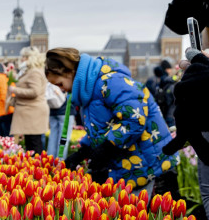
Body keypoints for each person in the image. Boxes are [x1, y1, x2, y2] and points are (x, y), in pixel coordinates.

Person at [46, 47, 176, 195]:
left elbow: (134, 119)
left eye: (60, 84)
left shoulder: (111, 81)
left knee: (150, 213)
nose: (61, 90)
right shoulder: (89, 90)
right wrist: (83, 152)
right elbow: (101, 128)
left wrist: (106, 148)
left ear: (68, 72)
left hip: (147, 164)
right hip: (129, 165)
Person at [9, 47, 49, 154]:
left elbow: (34, 91)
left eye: (23, 57)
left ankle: (37, 168)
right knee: (31, 143)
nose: (21, 59)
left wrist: (15, 90)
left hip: (33, 112)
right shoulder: (31, 71)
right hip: (29, 112)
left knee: (34, 144)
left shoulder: (34, 72)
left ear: (29, 58)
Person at [46, 82, 74, 159]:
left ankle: (49, 163)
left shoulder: (52, 76)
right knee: (63, 139)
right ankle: (59, 164)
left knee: (52, 138)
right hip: (66, 110)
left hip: (52, 109)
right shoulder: (67, 75)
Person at [0, 63, 13, 136]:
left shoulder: (1, 78)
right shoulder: (2, 78)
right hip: (3, 110)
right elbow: (4, 95)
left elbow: (3, 95)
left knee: (5, 135)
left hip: (2, 110)